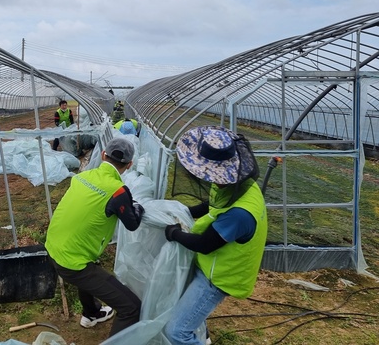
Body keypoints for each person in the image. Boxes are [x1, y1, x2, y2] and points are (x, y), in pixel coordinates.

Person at [163, 126, 267, 345]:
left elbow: (205, 244)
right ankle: (203, 334)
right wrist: (183, 212)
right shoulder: (235, 183)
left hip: (218, 277)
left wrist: (174, 233)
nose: (209, 179)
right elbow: (212, 204)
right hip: (210, 265)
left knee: (176, 331)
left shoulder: (240, 214)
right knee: (190, 313)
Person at [45, 137, 144, 337]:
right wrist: (138, 208)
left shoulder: (83, 176)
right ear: (130, 164)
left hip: (52, 248)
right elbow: (132, 223)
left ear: (102, 155)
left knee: (89, 269)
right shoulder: (118, 191)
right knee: (132, 307)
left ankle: (91, 314)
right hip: (72, 263)